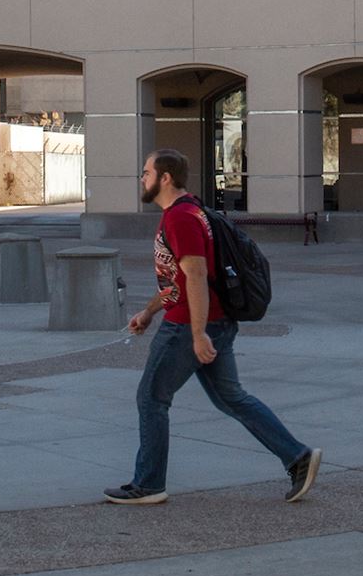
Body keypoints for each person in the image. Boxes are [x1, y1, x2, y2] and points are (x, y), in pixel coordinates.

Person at [104, 147, 322, 505]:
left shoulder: (181, 218)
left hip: (187, 326)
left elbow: (197, 276)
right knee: (232, 399)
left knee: (152, 398)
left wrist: (196, 333)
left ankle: (148, 484)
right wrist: (148, 311)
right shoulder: (191, 209)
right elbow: (176, 280)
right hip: (209, 321)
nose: (141, 178)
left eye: (146, 172)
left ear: (165, 178)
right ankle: (297, 457)